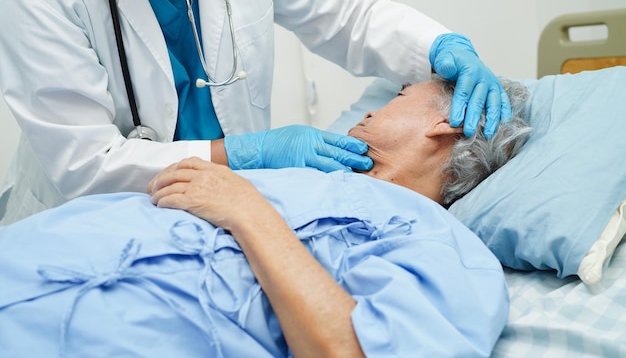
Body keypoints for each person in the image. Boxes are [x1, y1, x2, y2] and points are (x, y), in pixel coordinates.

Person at [0, 78, 530, 357]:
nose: (369, 110)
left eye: (397, 96)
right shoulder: (295, 174)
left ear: (444, 122)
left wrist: (248, 212)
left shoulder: (436, 241)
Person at [0, 0, 511, 226]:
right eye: (398, 91)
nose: (370, 117)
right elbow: (88, 163)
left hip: (224, 217)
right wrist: (248, 153)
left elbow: (350, 15)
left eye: (403, 93)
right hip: (90, 218)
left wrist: (439, 45)